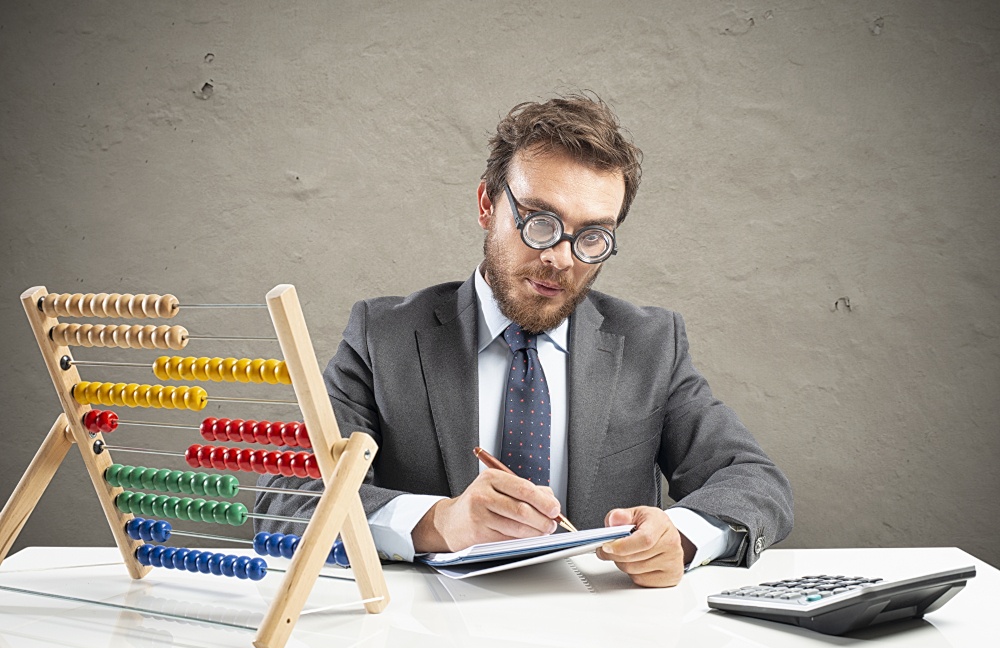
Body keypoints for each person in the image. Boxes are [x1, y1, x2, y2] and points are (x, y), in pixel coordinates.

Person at [256, 94, 793, 587]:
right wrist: (437, 522)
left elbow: (752, 479)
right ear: (488, 205)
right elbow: (285, 496)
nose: (560, 257)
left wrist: (684, 535)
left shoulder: (651, 344)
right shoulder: (384, 337)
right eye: (539, 221)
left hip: (607, 640)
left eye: (593, 237)